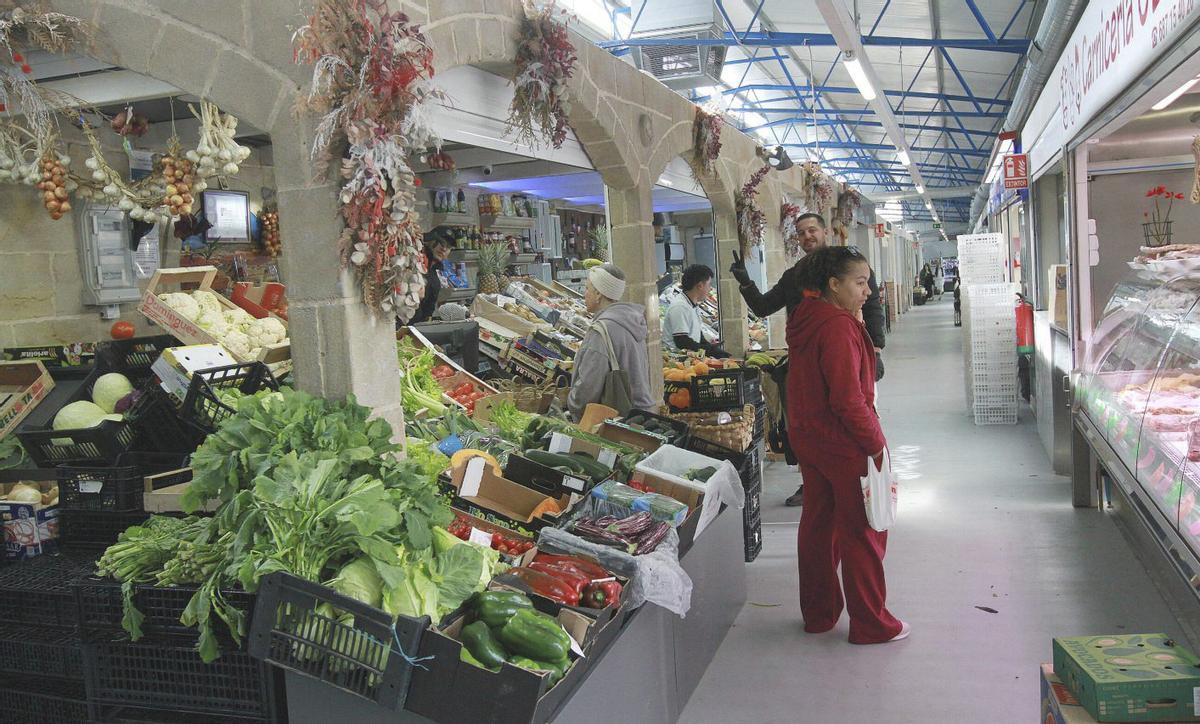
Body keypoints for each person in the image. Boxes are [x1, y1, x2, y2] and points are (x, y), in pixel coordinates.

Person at [786, 245, 908, 645]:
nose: (868, 291)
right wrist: (876, 445)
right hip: (843, 442)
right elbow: (847, 398)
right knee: (864, 531)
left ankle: (819, 614)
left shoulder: (807, 319)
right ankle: (872, 624)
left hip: (810, 438)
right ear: (833, 285)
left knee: (818, 526)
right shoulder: (837, 326)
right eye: (860, 283)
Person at [730, 212, 885, 507]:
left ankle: (830, 481)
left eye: (812, 230)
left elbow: (873, 305)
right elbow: (764, 307)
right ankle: (815, 480)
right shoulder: (795, 277)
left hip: (846, 355)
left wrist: (875, 349)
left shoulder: (849, 268)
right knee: (818, 422)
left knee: (848, 413)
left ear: (825, 231)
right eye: (801, 233)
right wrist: (745, 282)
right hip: (807, 363)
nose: (807, 237)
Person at [566, 264, 656, 420]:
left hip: (617, 420)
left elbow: (589, 384)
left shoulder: (601, 330)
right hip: (641, 414)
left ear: (599, 294)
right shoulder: (631, 321)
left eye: (587, 289)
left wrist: (572, 403)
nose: (584, 294)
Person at [663, 264, 730, 358]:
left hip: (692, 359)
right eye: (709, 284)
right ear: (700, 286)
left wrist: (713, 349)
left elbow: (698, 336)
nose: (710, 289)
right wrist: (710, 351)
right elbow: (682, 341)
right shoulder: (680, 306)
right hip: (680, 362)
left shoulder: (693, 305)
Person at [410, 235, 452, 325]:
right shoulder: (414, 262)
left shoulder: (435, 277)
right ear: (430, 242)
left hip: (416, 329)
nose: (444, 249)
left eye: (448, 246)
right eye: (441, 243)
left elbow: (428, 311)